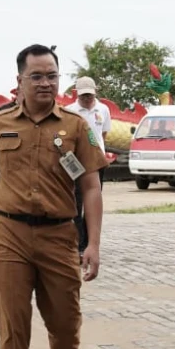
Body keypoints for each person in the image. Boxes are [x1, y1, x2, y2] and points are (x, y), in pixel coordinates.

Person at [0, 44, 109, 349]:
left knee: (66, 325)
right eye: (37, 76)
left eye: (52, 75)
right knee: (13, 327)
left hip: (59, 235)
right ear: (19, 81)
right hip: (8, 235)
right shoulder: (0, 125)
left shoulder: (77, 126)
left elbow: (91, 187)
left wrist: (93, 243)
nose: (46, 83)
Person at [65, 76, 111, 254]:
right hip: (75, 162)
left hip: (97, 162)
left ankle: (87, 243)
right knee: (76, 202)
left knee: (93, 200)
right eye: (83, 95)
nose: (87, 99)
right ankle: (77, 242)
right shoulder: (70, 111)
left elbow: (103, 133)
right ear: (77, 94)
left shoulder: (103, 109)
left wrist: (96, 153)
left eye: (89, 95)